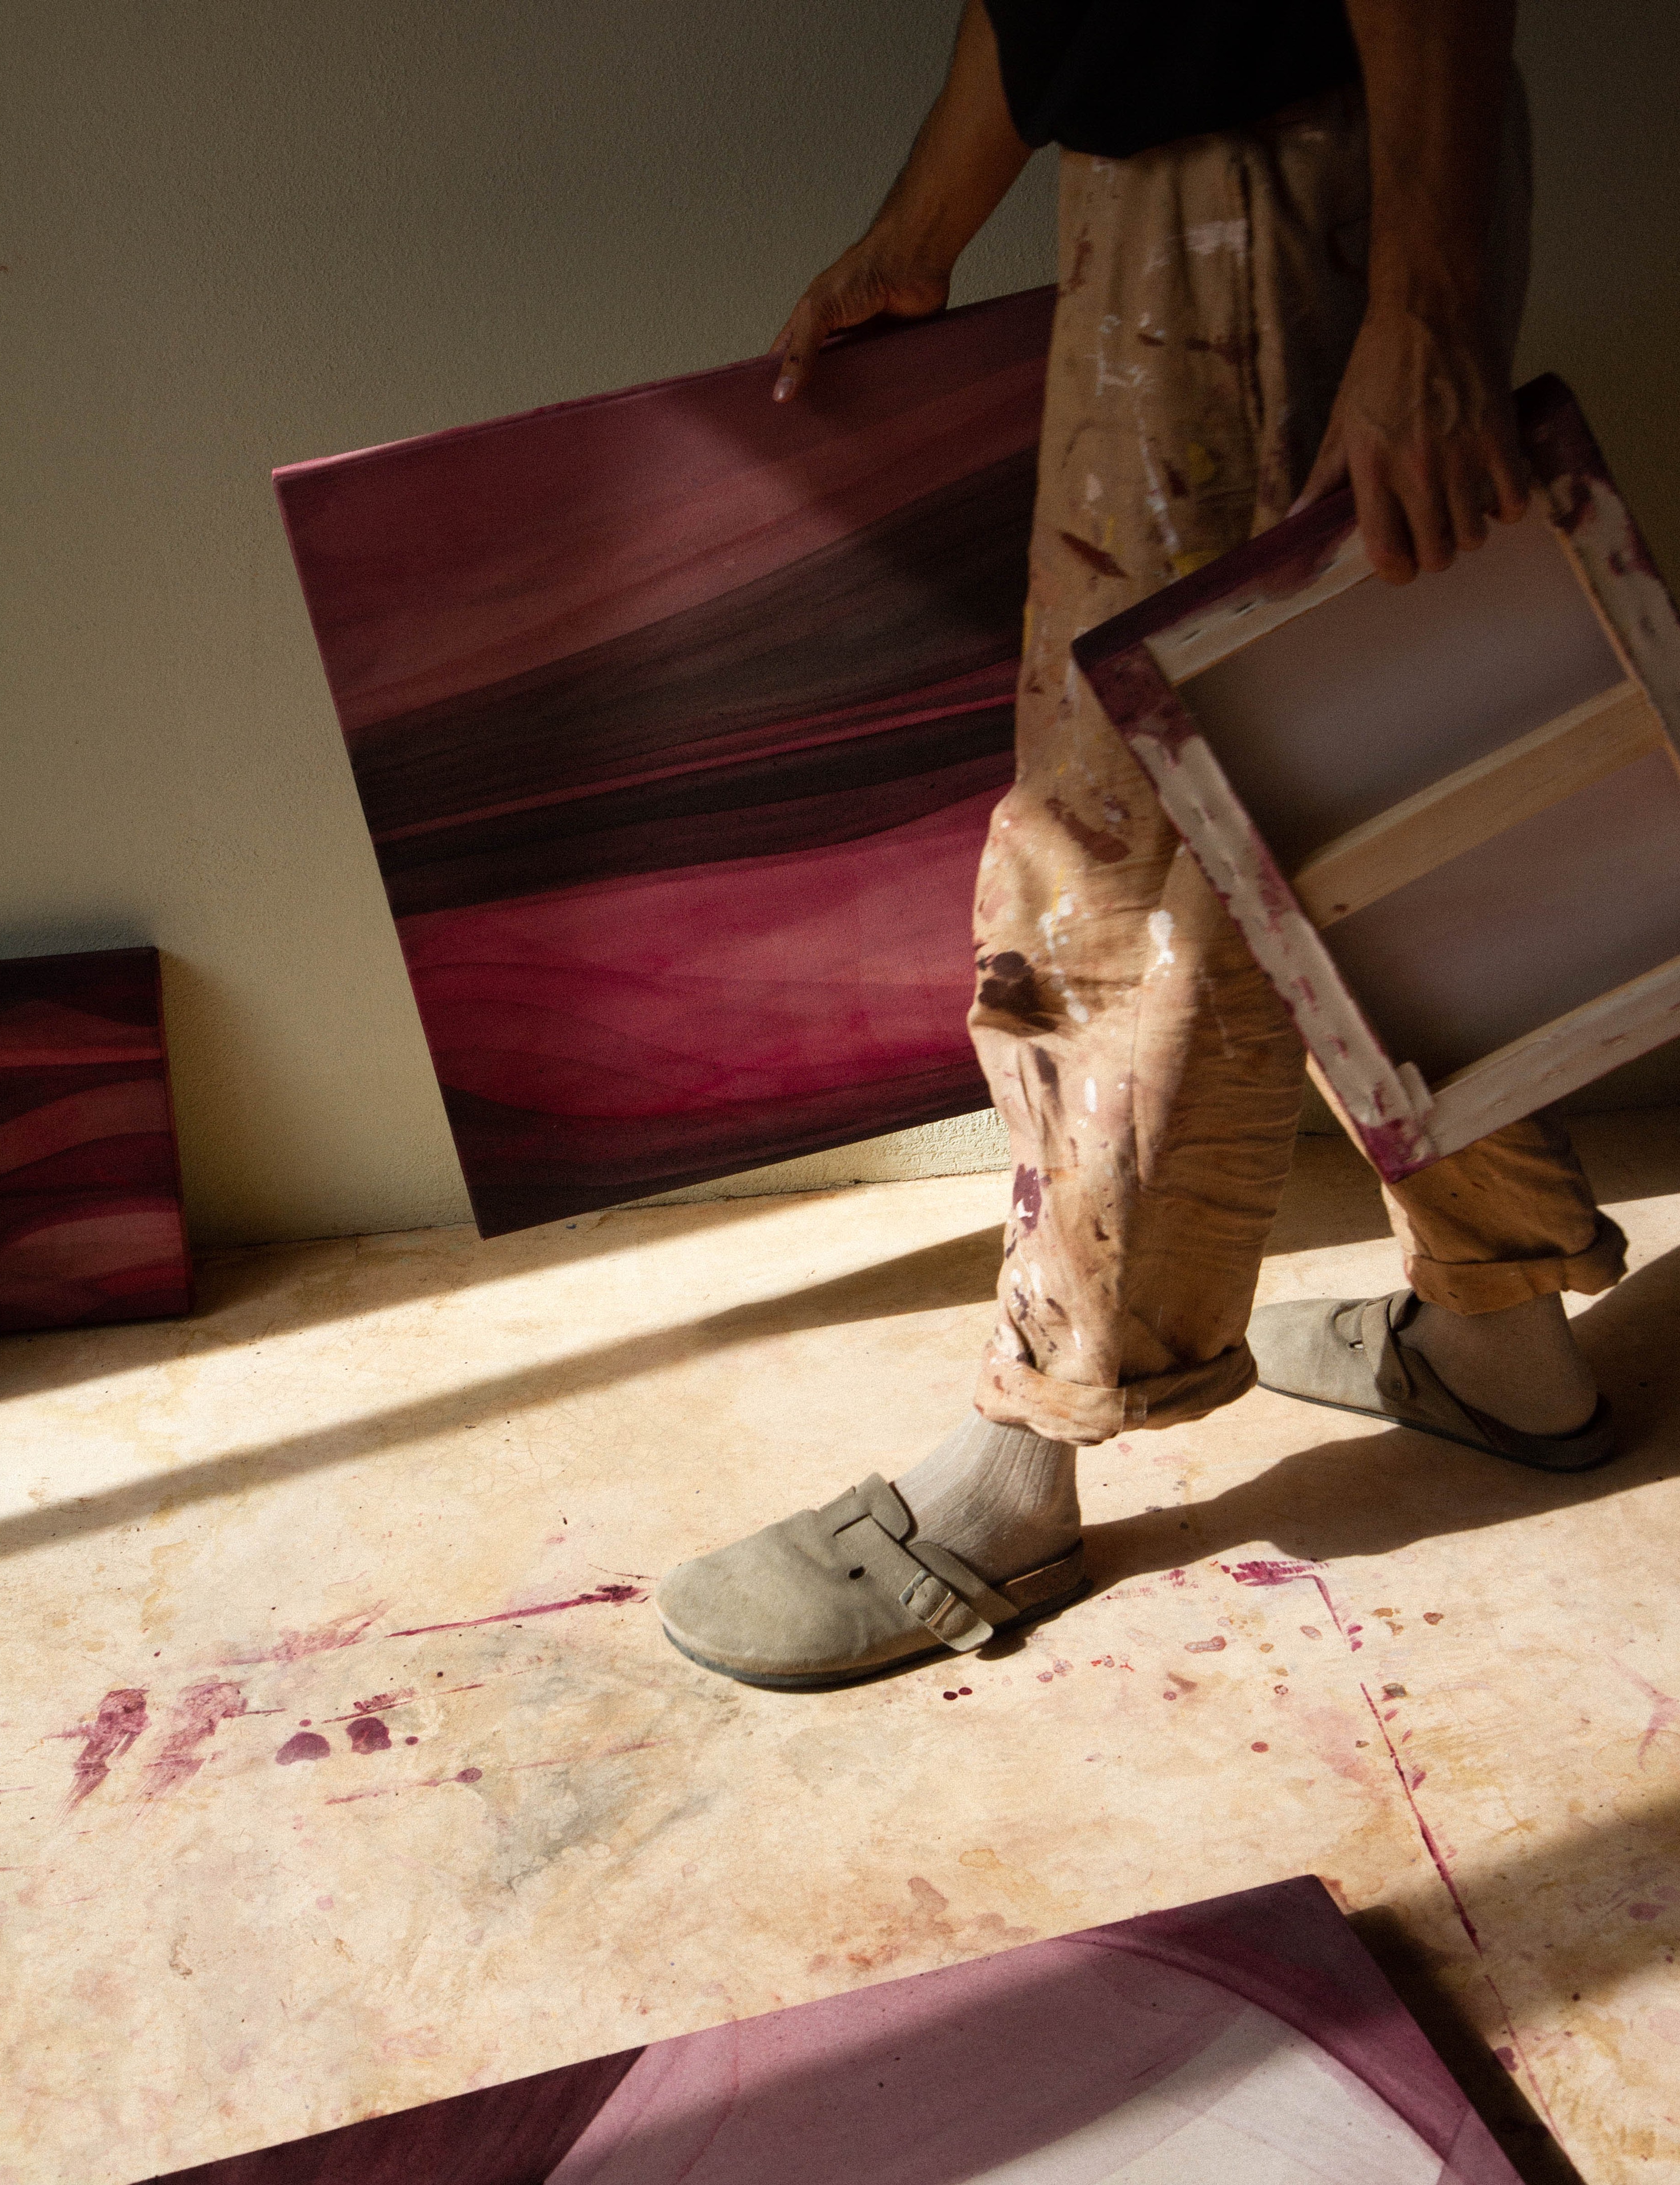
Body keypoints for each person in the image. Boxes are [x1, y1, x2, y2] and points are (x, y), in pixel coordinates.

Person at [655, 0, 1625, 1689]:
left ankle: (1023, 1467)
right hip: (1271, 180)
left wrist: (1426, 302)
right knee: (1345, 797)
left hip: (1278, 193)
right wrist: (927, 221)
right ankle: (1502, 1329)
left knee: (1128, 861)